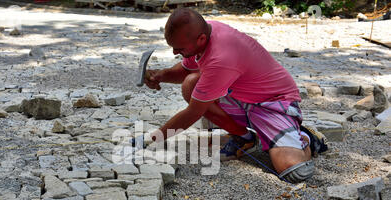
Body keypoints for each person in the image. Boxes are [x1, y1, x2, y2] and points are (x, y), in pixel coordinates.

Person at [139, 8, 327, 183]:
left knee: (293, 171)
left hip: (274, 103)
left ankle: (306, 137)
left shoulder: (221, 57)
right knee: (191, 84)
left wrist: (151, 139)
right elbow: (186, 70)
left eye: (179, 49)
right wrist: (160, 75)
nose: (174, 53)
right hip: (242, 97)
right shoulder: (202, 32)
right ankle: (245, 138)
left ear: (201, 39)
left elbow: (193, 113)